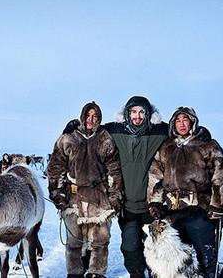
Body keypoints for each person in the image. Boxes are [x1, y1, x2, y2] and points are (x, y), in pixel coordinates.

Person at [63, 95, 169, 277]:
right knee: (129, 245)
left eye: (142, 112)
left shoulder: (159, 131)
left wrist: (202, 131)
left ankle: (156, 272)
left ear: (149, 114)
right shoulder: (115, 130)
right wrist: (74, 128)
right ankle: (136, 274)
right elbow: (91, 130)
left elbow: (182, 129)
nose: (138, 116)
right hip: (126, 204)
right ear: (127, 113)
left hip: (152, 204)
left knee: (155, 243)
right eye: (134, 112)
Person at [147, 106, 223, 278]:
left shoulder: (207, 145)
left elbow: (221, 177)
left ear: (192, 121)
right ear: (173, 124)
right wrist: (155, 202)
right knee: (177, 260)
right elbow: (155, 176)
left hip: (199, 210)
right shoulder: (166, 147)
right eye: (177, 121)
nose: (181, 124)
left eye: (185, 120)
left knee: (204, 257)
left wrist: (217, 205)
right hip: (172, 211)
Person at [47, 101, 123, 278]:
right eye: (88, 115)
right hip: (74, 197)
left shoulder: (105, 138)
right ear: (82, 116)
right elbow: (56, 166)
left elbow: (114, 169)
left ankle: (97, 273)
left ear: (99, 118)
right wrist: (57, 192)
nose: (91, 119)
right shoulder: (68, 137)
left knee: (100, 240)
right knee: (74, 241)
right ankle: (74, 273)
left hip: (99, 197)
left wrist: (115, 195)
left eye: (95, 116)